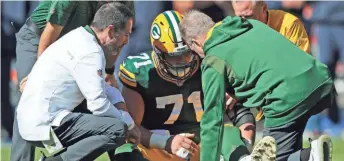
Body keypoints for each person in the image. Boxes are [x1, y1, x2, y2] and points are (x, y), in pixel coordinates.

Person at [118, 10, 276, 161]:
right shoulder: (142, 73)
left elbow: (241, 113)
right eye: (174, 56)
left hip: (203, 148)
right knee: (122, 148)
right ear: (158, 52)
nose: (181, 61)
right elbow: (132, 129)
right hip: (159, 149)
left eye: (186, 53)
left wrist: (245, 146)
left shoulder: (209, 64)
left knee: (226, 132)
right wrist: (165, 142)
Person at [179, 10, 335, 161]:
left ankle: (311, 156)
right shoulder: (250, 24)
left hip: (286, 99)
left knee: (267, 157)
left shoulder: (212, 59)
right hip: (320, 80)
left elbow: (213, 120)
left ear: (194, 43)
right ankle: (312, 154)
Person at [16, 3, 140, 161]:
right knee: (117, 129)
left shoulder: (82, 38)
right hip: (44, 124)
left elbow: (104, 87)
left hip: (39, 121)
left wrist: (122, 109)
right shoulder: (91, 52)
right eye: (126, 34)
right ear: (110, 30)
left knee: (113, 124)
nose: (127, 41)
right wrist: (129, 124)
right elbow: (99, 105)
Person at [231, 0, 311, 137]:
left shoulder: (289, 25)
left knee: (274, 152)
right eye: (239, 17)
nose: (243, 22)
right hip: (257, 101)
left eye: (249, 16)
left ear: (264, 8)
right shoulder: (233, 28)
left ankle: (311, 155)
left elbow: (297, 72)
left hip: (288, 100)